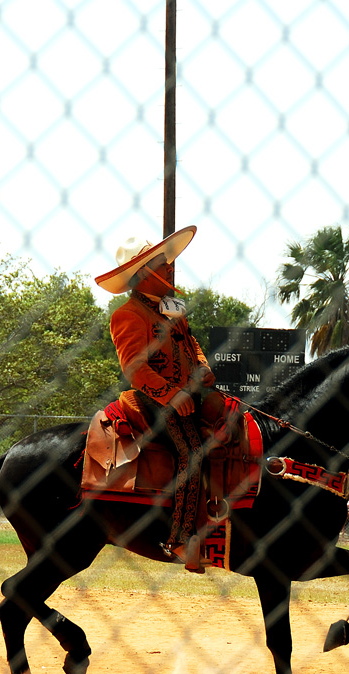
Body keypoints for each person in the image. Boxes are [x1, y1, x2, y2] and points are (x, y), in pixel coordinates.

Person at [96, 225, 214, 571]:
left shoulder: (172, 306)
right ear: (144, 273)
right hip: (155, 400)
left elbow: (191, 344)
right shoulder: (127, 314)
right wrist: (173, 396)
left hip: (190, 393)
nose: (170, 268)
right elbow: (135, 369)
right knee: (192, 451)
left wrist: (204, 368)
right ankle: (179, 540)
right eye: (163, 264)